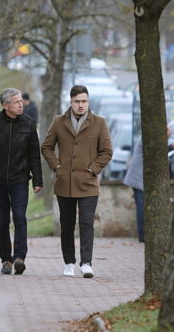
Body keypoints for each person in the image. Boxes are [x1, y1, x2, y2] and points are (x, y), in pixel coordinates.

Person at [41, 85, 112, 278]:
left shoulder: (99, 122)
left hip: (88, 183)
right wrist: (57, 166)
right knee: (67, 224)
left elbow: (106, 151)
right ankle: (69, 262)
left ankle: (86, 263)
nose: (81, 105)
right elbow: (46, 147)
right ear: (71, 102)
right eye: (77, 101)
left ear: (88, 102)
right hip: (65, 183)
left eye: (84, 101)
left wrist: (94, 169)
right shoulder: (58, 122)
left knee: (86, 223)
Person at [0, 88, 43, 275]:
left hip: (20, 179)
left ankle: (20, 257)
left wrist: (37, 180)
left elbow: (34, 155)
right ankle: (6, 259)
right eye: (16, 102)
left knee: (20, 217)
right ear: (5, 105)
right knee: (2, 221)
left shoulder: (29, 123)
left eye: (21, 101)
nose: (21, 104)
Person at [123, 139, 144, 243]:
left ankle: (142, 234)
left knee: (141, 206)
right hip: (138, 178)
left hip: (139, 178)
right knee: (141, 206)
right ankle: (142, 234)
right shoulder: (146, 138)